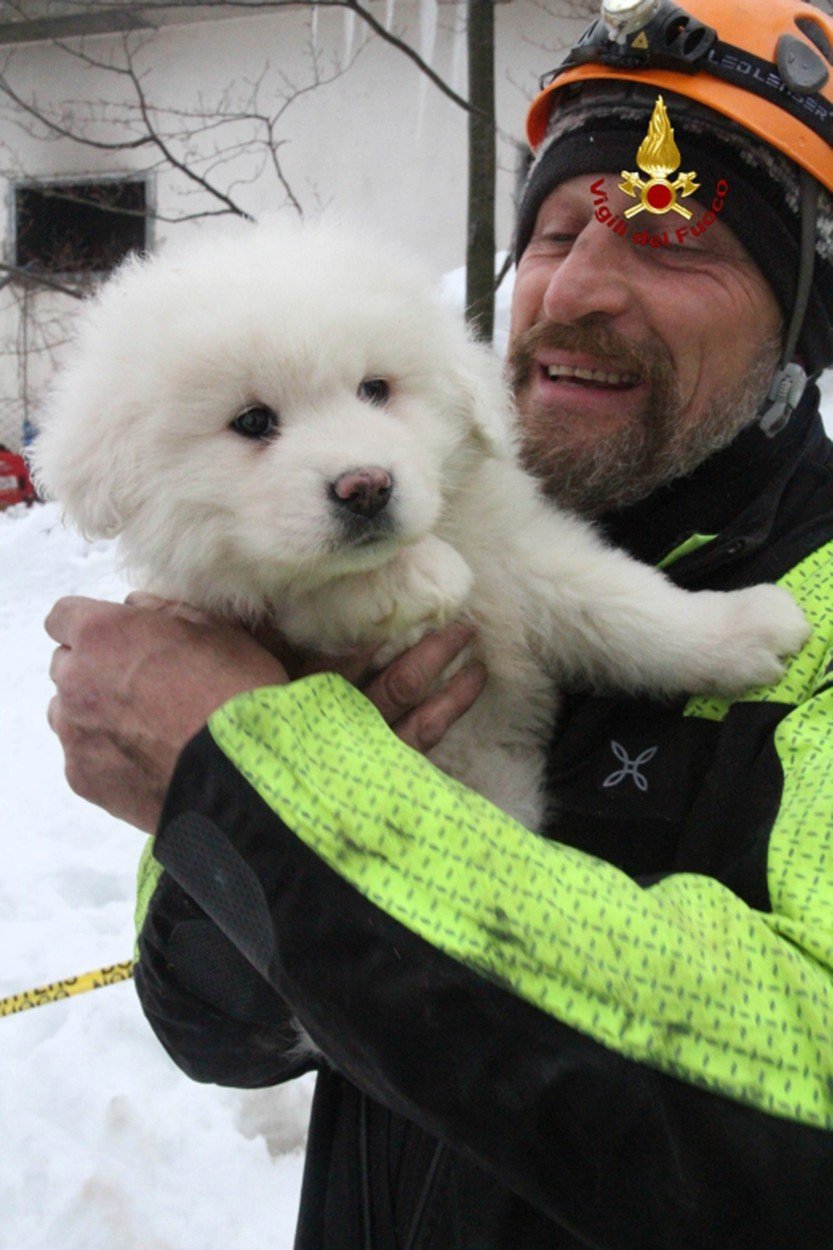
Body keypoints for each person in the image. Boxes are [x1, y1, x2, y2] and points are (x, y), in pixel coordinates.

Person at [45, 1, 833, 1245]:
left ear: (802, 321)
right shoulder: (232, 612)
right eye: (558, 229)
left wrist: (273, 773)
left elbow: (799, 1129)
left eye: (671, 240)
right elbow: (218, 1021)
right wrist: (223, 792)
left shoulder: (814, 620)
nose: (578, 288)